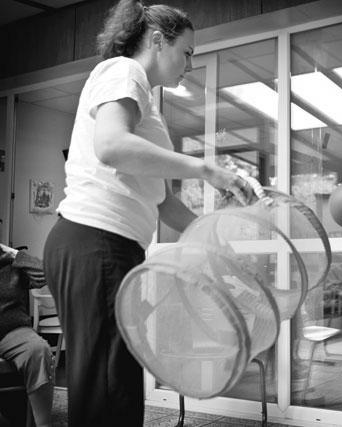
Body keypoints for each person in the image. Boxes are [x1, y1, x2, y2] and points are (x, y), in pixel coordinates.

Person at [42, 1, 254, 425]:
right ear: (157, 40)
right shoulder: (124, 71)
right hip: (96, 242)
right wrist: (206, 169)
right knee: (108, 391)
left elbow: (159, 200)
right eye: (187, 52)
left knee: (112, 383)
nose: (190, 65)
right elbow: (111, 145)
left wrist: (210, 236)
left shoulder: (144, 102)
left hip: (103, 248)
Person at [0, 243, 53, 427]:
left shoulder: (12, 263)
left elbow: (48, 274)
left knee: (38, 350)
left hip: (12, 330)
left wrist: (15, 255)